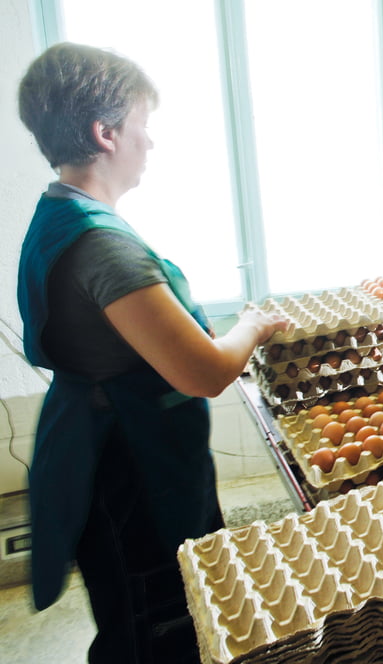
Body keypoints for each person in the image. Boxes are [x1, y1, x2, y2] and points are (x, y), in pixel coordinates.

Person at [17, 43, 289, 663]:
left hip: (102, 435)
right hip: (132, 467)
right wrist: (251, 325)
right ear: (105, 133)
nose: (150, 142)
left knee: (136, 607)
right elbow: (207, 371)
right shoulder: (101, 244)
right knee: (155, 620)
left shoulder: (64, 213)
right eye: (143, 126)